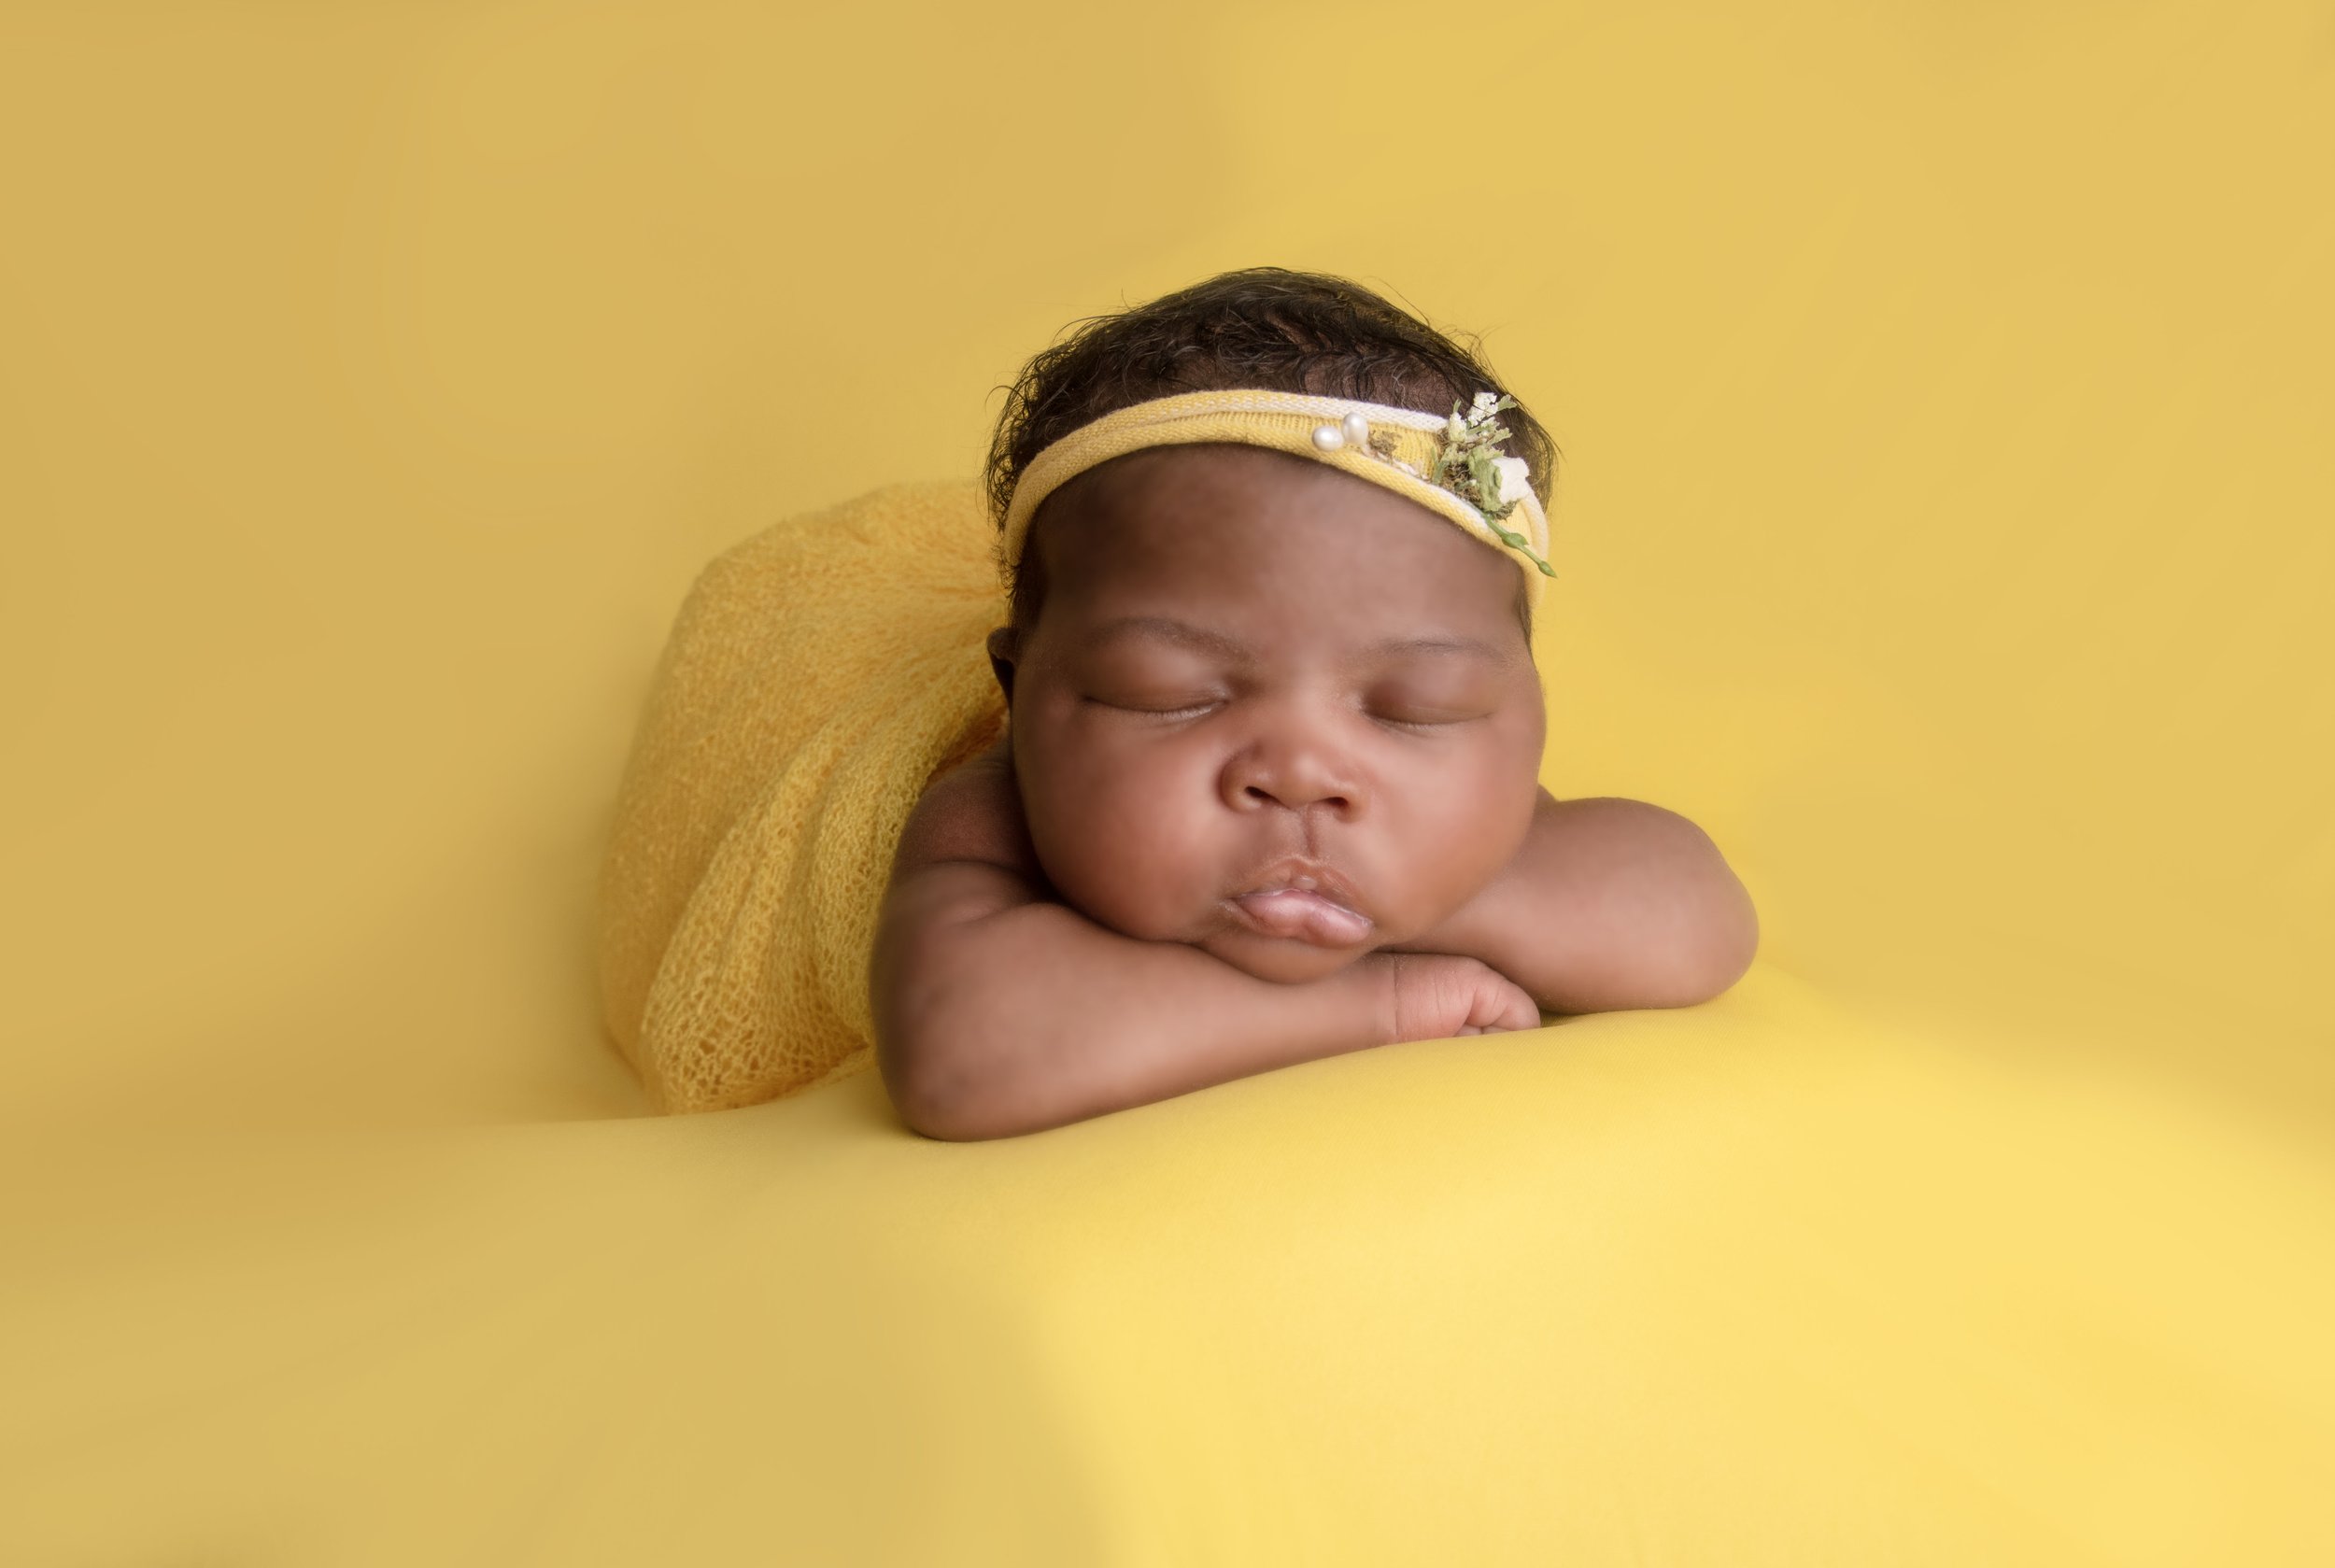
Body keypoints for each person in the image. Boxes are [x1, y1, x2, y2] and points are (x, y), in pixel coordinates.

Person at [869, 267, 1758, 1140]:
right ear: (1020, 698)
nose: (1302, 773)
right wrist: (1387, 997)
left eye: (1418, 706)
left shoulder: (1444, 823)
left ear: (1522, 708)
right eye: (1165, 694)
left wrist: (1417, 889)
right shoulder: (988, 812)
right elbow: (960, 1052)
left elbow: (1703, 920)